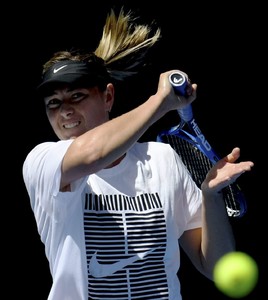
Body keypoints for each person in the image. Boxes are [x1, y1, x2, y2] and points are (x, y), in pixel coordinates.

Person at [22, 8, 254, 300]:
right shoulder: (43, 162)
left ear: (108, 96)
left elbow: (216, 266)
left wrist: (210, 196)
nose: (65, 111)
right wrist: (159, 102)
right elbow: (93, 153)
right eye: (53, 103)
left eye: (77, 96)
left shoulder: (163, 160)